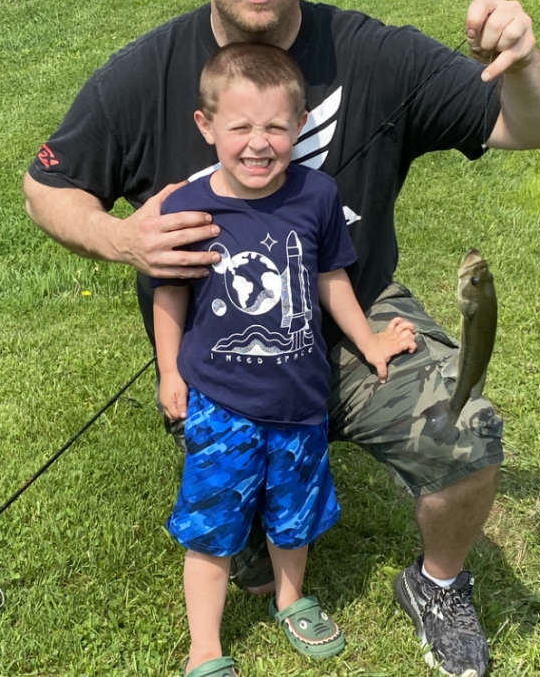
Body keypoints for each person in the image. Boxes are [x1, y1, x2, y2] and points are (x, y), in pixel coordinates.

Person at [22, 0, 540, 675]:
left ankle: (438, 585)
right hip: (224, 347)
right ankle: (244, 549)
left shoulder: (373, 53)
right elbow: (46, 187)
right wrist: (121, 240)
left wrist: (521, 63)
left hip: (355, 312)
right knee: (234, 525)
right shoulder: (145, 72)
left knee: (468, 431)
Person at [153, 41, 417, 677]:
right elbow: (167, 290)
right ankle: (204, 645)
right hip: (220, 404)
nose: (257, 143)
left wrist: (371, 341)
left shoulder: (318, 195)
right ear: (206, 124)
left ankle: (292, 600)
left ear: (300, 125)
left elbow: (331, 280)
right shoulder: (184, 206)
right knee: (212, 523)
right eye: (239, 126)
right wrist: (169, 371)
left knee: (294, 513)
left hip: (300, 402)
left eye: (275, 126)